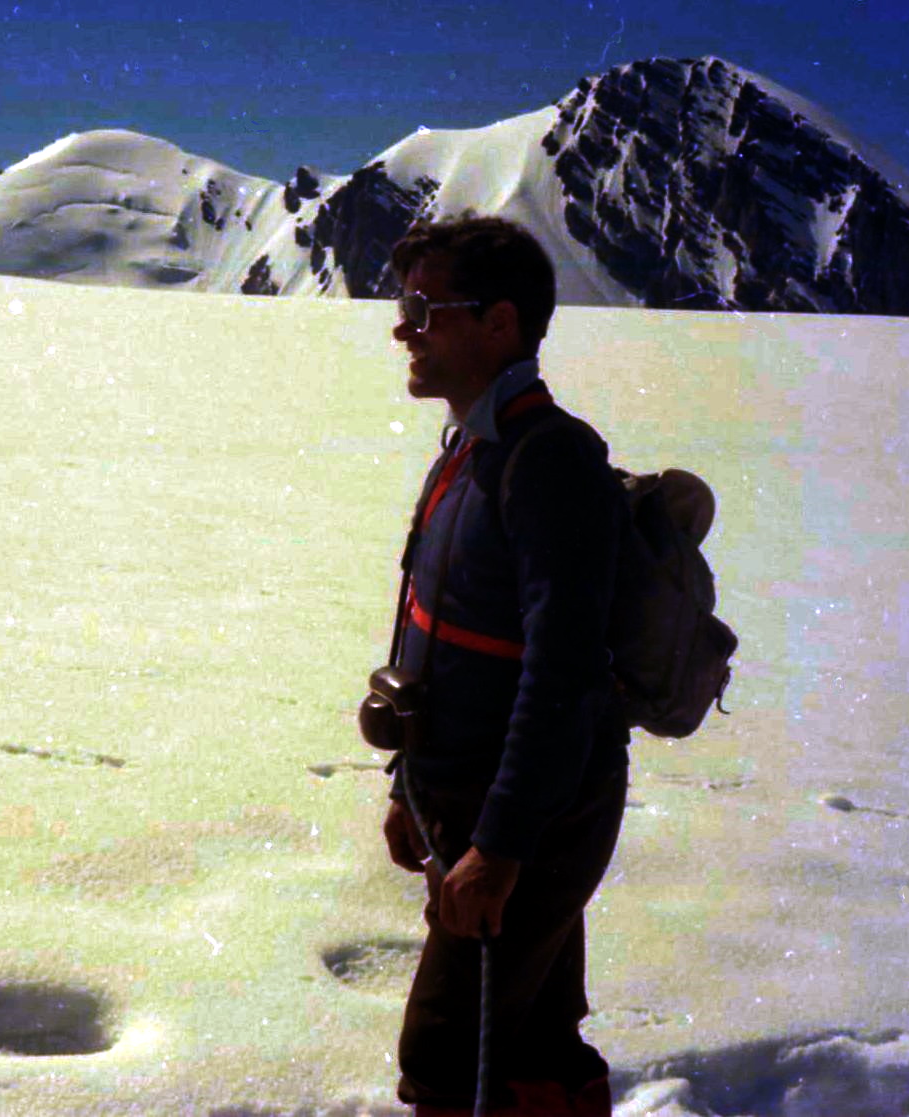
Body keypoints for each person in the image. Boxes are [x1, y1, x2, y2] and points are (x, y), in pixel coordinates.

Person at [379, 215, 630, 1117]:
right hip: (473, 803)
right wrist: (407, 785)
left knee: (449, 1054)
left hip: (530, 816)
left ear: (499, 324)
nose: (403, 328)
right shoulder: (471, 448)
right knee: (530, 1035)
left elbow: (560, 673)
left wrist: (500, 845)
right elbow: (431, 632)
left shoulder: (549, 459)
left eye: (424, 308)